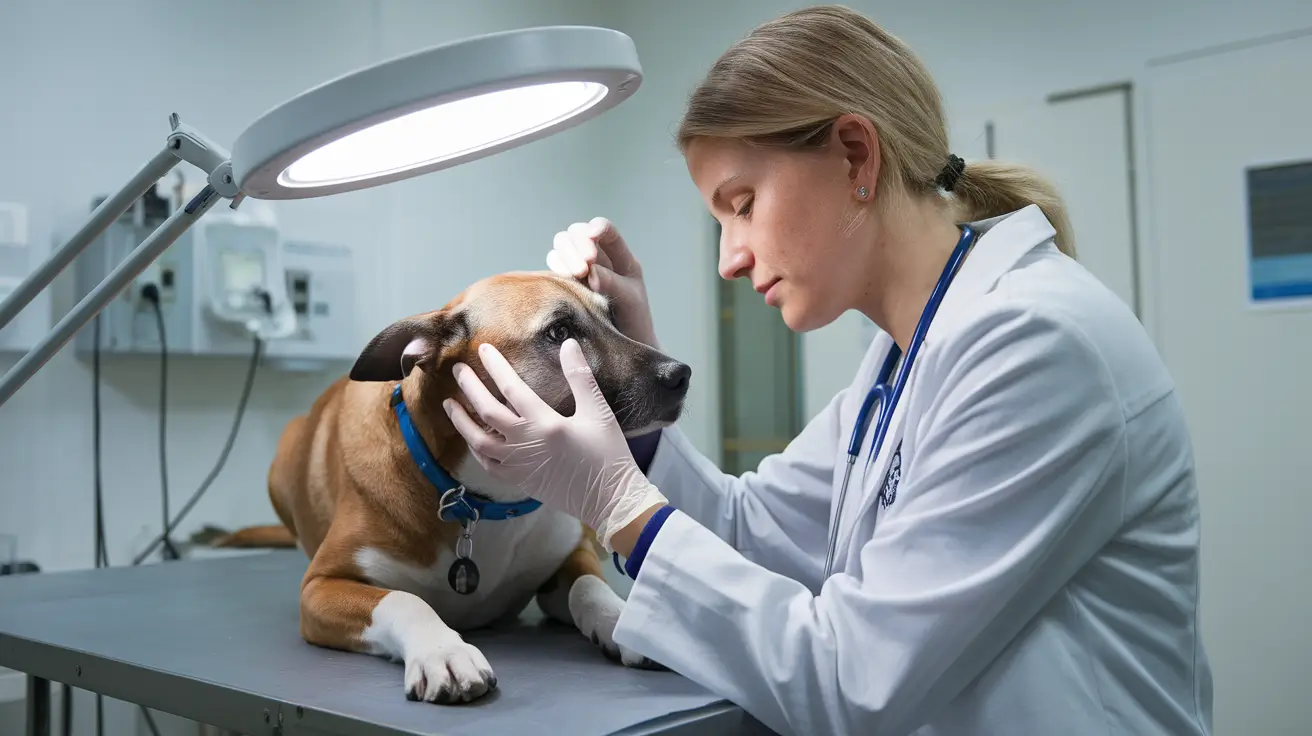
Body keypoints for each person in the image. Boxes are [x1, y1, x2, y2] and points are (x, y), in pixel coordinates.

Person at [442, 5, 1214, 735]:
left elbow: (853, 683)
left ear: (855, 154)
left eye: (741, 204)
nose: (729, 259)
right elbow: (752, 530)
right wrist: (629, 415)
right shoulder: (903, 358)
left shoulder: (1036, 346)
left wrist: (617, 502)